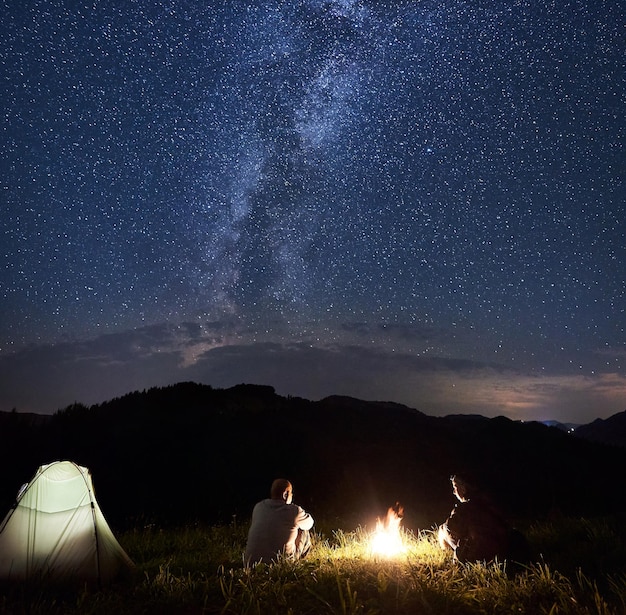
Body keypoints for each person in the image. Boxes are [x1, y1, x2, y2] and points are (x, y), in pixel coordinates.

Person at [438, 474, 524, 563]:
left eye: (455, 487)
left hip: (480, 556)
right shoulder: (490, 503)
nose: (454, 492)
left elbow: (452, 528)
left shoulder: (464, 508)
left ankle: (446, 551)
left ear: (464, 488)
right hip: (506, 550)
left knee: (443, 529)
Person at [244, 478, 314, 565]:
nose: (292, 496)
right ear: (286, 494)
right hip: (281, 564)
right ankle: (298, 562)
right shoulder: (294, 511)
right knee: (303, 530)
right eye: (291, 493)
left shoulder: (258, 507)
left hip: (251, 563)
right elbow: (310, 523)